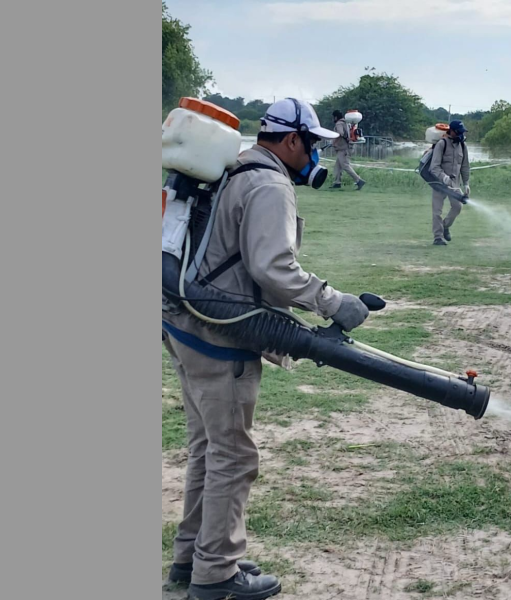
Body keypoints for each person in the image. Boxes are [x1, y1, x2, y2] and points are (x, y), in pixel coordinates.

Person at [161, 98, 370, 600]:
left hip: (184, 325)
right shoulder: (269, 182)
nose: (315, 153)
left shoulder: (233, 168)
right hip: (221, 336)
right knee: (232, 455)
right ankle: (217, 575)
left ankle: (194, 558)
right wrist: (334, 303)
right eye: (313, 143)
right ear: (292, 140)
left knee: (208, 449)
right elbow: (273, 270)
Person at [429, 120, 470, 245]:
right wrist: (444, 177)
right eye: (459, 132)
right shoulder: (442, 144)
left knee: (458, 206)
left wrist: (466, 183)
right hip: (439, 184)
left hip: (454, 184)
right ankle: (438, 237)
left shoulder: (463, 146)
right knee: (437, 211)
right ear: (451, 131)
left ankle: (445, 226)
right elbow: (434, 167)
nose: (461, 135)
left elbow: (465, 166)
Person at [331, 110, 366, 190]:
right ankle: (337, 182)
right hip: (345, 148)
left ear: (335, 117)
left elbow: (340, 133)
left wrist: (335, 141)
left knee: (345, 165)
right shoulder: (346, 122)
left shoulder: (339, 123)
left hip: (342, 148)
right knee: (338, 166)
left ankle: (358, 180)